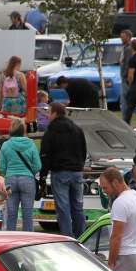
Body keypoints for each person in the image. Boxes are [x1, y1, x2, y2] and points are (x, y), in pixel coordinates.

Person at [40, 102, 87, 238]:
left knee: (63, 208)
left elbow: (45, 154)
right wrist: (80, 165)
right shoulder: (77, 129)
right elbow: (83, 150)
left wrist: (43, 175)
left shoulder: (51, 131)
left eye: (49, 112)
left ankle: (68, 237)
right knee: (77, 206)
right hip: (77, 171)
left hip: (60, 172)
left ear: (55, 113)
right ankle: (82, 236)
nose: (47, 115)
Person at [99, 167, 136, 271]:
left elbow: (116, 236)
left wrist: (111, 263)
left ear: (115, 182)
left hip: (125, 257)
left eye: (105, 187)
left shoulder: (120, 202)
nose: (104, 191)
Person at [0, 117, 41, 231]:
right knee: (28, 214)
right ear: (23, 130)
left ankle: (12, 238)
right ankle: (28, 238)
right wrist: (29, 172)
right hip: (27, 180)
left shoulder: (6, 145)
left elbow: (2, 167)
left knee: (11, 214)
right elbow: (37, 165)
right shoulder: (31, 144)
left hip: (10, 180)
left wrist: (9, 172)